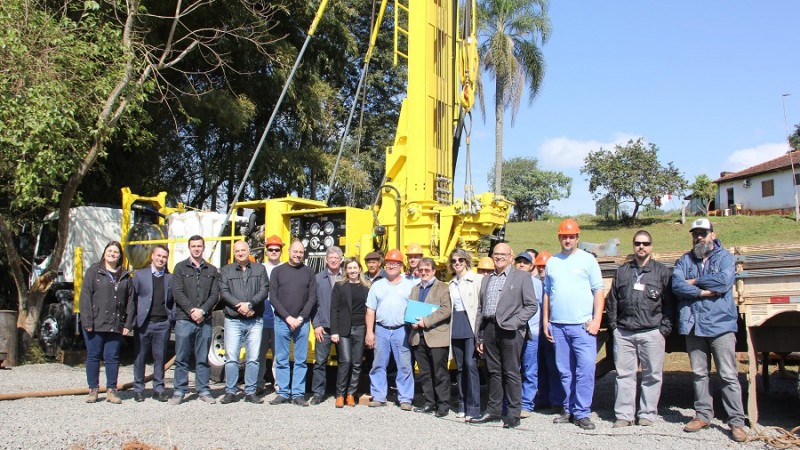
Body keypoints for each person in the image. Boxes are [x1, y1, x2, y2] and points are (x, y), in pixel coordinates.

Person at [672, 218, 747, 442]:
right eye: (695, 233)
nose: (699, 237)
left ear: (713, 234)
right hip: (694, 325)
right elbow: (676, 285)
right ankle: (703, 415)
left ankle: (736, 422)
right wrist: (702, 291)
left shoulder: (725, 258)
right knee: (699, 374)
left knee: (728, 375)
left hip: (721, 325)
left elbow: (724, 282)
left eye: (703, 233)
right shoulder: (685, 259)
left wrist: (693, 281)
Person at [607, 230, 674, 428]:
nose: (641, 247)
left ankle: (647, 414)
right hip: (624, 332)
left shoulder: (661, 272)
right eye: (637, 243)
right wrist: (614, 328)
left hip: (652, 332)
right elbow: (612, 302)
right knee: (624, 375)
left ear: (651, 246)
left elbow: (670, 303)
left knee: (652, 375)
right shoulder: (623, 272)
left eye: (645, 243)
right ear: (633, 246)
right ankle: (624, 415)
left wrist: (664, 328)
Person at [543, 219, 604, 430]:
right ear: (559, 238)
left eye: (571, 236)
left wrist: (597, 320)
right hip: (558, 325)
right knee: (565, 371)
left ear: (577, 238)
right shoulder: (553, 262)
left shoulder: (588, 261)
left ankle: (582, 412)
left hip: (582, 326)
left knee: (585, 369)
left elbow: (598, 291)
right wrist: (546, 321)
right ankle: (568, 409)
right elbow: (547, 294)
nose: (567, 240)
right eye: (564, 236)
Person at [470, 242, 537, 429]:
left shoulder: (522, 277)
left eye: (503, 254)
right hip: (490, 328)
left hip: (510, 331)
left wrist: (515, 323)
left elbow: (531, 305)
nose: (498, 257)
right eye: (496, 254)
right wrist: (480, 336)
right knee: (493, 372)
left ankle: (514, 413)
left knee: (511, 372)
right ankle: (493, 410)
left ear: (510, 256)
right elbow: (481, 310)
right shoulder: (487, 279)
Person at [79, 241, 135, 404]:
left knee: (112, 357)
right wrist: (87, 320)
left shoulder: (125, 275)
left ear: (120, 256)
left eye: (116, 252)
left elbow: (131, 301)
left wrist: (128, 324)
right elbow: (85, 297)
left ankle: (111, 390)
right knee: (93, 356)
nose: (112, 254)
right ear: (104, 253)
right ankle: (93, 390)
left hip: (115, 323)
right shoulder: (94, 272)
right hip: (95, 323)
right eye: (110, 251)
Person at [365, 248, 417, 410]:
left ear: (401, 265)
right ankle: (379, 396)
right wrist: (369, 332)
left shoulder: (410, 285)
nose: (391, 266)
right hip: (381, 329)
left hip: (402, 329)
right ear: (384, 264)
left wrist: (413, 331)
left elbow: (416, 309)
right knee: (378, 364)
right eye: (389, 263)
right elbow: (370, 311)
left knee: (404, 365)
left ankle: (405, 398)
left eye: (395, 263)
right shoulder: (377, 285)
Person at [170, 235, 219, 405]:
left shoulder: (211, 270)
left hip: (204, 320)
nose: (196, 249)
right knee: (182, 357)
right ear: (189, 248)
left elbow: (215, 294)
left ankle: (204, 390)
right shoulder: (180, 268)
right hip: (185, 319)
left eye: (199, 246)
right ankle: (179, 391)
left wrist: (203, 311)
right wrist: (192, 310)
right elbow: (177, 292)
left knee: (203, 358)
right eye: (193, 246)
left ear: (203, 247)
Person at [219, 241, 269, 404]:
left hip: (255, 320)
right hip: (233, 319)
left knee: (253, 358)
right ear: (234, 253)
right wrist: (239, 305)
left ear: (249, 251)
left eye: (243, 250)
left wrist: (250, 304)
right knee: (232, 357)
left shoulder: (259, 269)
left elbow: (264, 289)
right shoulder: (226, 270)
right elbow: (224, 291)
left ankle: (250, 391)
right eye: (237, 251)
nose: (240, 253)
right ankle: (231, 391)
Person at [269, 240, 317, 406]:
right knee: (281, 358)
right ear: (288, 251)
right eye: (295, 252)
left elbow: (312, 297)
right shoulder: (277, 271)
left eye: (301, 252)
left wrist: (301, 318)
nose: (298, 255)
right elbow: (273, 297)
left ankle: (298, 393)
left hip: (302, 323)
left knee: (301, 360)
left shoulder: (309, 272)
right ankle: (283, 392)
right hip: (282, 321)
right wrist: (288, 317)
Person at [409, 257, 452, 417]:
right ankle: (429, 402)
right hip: (418, 337)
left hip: (437, 336)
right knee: (425, 373)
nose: (424, 273)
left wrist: (425, 322)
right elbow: (410, 308)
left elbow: (445, 310)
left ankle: (443, 405)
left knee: (440, 372)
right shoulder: (415, 289)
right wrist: (412, 322)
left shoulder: (443, 288)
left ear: (434, 271)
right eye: (421, 270)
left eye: (427, 270)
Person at [131, 245, 173, 403]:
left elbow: (174, 300)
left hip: (162, 323)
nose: (161, 259)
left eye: (164, 257)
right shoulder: (140, 275)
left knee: (160, 358)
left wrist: (171, 318)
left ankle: (159, 388)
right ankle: (138, 389)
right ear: (152, 257)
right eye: (159, 256)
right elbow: (132, 298)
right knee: (140, 357)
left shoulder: (170, 278)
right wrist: (133, 319)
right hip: (144, 323)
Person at [330, 257, 371, 408]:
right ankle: (340, 394)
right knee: (345, 361)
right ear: (346, 270)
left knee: (357, 363)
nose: (353, 271)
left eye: (355, 268)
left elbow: (370, 310)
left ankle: (351, 394)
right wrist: (334, 331)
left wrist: (370, 332)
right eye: (350, 268)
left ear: (360, 269)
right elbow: (333, 310)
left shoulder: (367, 287)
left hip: (361, 328)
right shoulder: (339, 286)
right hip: (344, 328)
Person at [447, 249, 482, 420]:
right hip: (457, 325)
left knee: (470, 365)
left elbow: (480, 306)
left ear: (467, 261)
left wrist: (480, 332)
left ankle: (474, 407)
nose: (457, 263)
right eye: (454, 261)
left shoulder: (477, 279)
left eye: (461, 260)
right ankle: (462, 403)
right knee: (460, 367)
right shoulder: (451, 283)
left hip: (471, 324)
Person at [308, 246, 344, 405]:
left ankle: (342, 393)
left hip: (343, 328)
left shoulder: (348, 277)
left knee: (345, 362)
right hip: (324, 327)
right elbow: (313, 304)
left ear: (341, 259)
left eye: (337, 257)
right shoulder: (318, 279)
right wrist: (316, 325)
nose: (334, 260)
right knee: (320, 362)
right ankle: (318, 393)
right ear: (326, 260)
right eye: (331, 258)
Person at [533, 251, 565, 412]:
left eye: (544, 266)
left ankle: (557, 401)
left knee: (554, 366)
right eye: (539, 266)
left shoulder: (556, 283)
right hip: (538, 331)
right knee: (541, 366)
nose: (541, 269)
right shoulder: (535, 282)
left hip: (553, 328)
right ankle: (543, 397)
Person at [514, 252, 543, 419]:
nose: (521, 265)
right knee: (513, 369)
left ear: (532, 266)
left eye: (525, 262)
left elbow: (542, 306)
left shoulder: (537, 284)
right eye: (519, 262)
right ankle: (513, 401)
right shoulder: (510, 282)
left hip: (532, 333)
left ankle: (527, 404)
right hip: (514, 332)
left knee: (530, 370)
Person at [257, 235, 283, 395]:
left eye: (277, 249)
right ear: (266, 251)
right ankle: (259, 383)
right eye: (271, 249)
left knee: (278, 353)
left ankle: (279, 384)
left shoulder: (285, 268)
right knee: (259, 352)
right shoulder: (259, 268)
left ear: (281, 251)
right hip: (262, 313)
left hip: (279, 314)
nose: (274, 252)